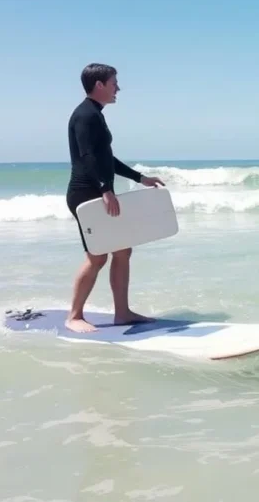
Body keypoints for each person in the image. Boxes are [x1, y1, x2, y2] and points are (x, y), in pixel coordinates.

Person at [65, 63, 165, 333]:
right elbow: (87, 157)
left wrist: (139, 177)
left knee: (122, 250)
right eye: (113, 83)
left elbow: (106, 158)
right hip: (86, 194)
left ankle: (122, 313)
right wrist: (104, 190)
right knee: (97, 257)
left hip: (96, 191)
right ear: (99, 85)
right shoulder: (86, 115)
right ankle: (74, 316)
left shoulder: (95, 114)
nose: (117, 88)